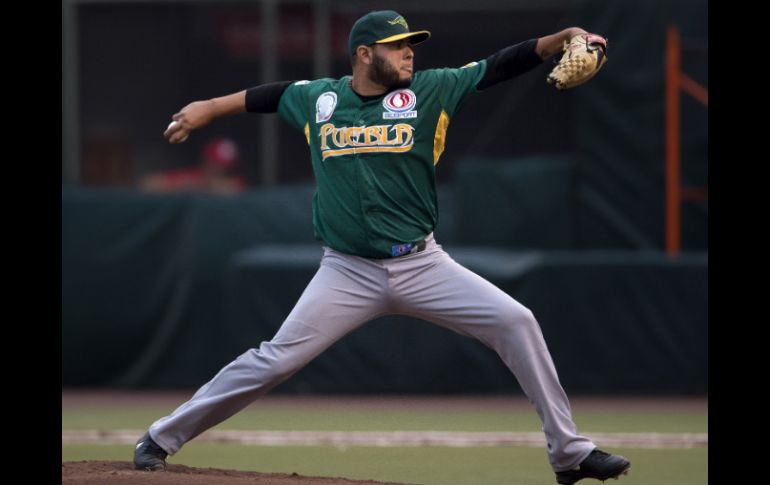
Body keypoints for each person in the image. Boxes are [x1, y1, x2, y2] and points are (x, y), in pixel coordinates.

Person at [134, 10, 630, 485]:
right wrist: (207, 109)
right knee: (276, 360)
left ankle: (568, 454)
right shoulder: (320, 100)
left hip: (424, 265)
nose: (410, 54)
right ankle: (160, 437)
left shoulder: (433, 89)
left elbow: (502, 63)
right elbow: (266, 95)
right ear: (365, 54)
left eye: (412, 45)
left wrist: (564, 35)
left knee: (517, 321)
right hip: (346, 272)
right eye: (398, 47)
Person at [139, 137, 247, 194]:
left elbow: (232, 190)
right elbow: (148, 183)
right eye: (214, 161)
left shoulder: (236, 183)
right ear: (206, 159)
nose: (217, 167)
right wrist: (183, 186)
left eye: (223, 164)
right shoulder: (193, 176)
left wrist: (205, 187)